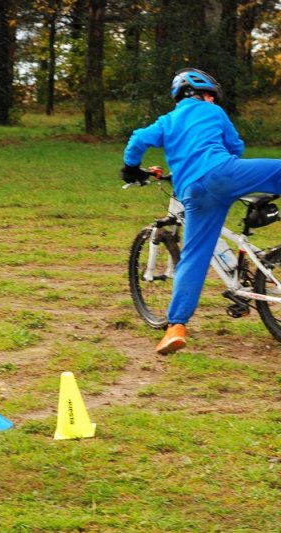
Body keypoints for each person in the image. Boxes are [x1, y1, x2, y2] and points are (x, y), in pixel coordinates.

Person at [121, 67, 281, 355]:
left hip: (192, 192)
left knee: (193, 259)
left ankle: (176, 327)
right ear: (206, 95)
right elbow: (236, 146)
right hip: (224, 173)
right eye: (212, 96)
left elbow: (139, 139)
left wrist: (131, 168)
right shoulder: (213, 112)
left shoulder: (168, 120)